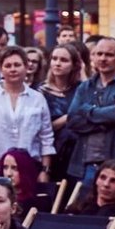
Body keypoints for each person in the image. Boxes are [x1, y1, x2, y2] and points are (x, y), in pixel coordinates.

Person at [0, 47, 54, 181]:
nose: (13, 69)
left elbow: (46, 138)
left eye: (17, 65)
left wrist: (45, 170)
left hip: (29, 169)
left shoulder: (38, 98)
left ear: (26, 67)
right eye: (8, 66)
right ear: (1, 69)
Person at [66, 36, 115, 188]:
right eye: (99, 54)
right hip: (86, 165)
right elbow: (73, 120)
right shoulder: (85, 87)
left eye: (109, 54)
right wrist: (107, 119)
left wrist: (88, 110)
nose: (103, 58)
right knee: (84, 210)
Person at [39, 44, 82, 182]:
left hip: (78, 152)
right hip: (52, 153)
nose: (57, 63)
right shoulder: (40, 92)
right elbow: (42, 128)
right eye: (54, 58)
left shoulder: (81, 89)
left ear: (74, 65)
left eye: (64, 60)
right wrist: (68, 117)